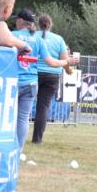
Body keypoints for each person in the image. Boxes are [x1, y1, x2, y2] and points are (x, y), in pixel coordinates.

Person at [10, 8, 64, 150]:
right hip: (31, 83)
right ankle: (18, 150)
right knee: (23, 118)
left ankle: (7, 146)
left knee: (10, 116)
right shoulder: (39, 40)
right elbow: (51, 62)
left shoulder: (12, 35)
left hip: (13, 81)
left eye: (16, 20)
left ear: (20, 22)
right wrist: (66, 62)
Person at [30, 14, 73, 144]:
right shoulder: (59, 39)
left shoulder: (32, 36)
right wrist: (69, 71)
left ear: (38, 24)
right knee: (43, 107)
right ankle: (37, 139)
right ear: (50, 25)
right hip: (52, 75)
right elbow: (65, 60)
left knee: (24, 104)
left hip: (33, 73)